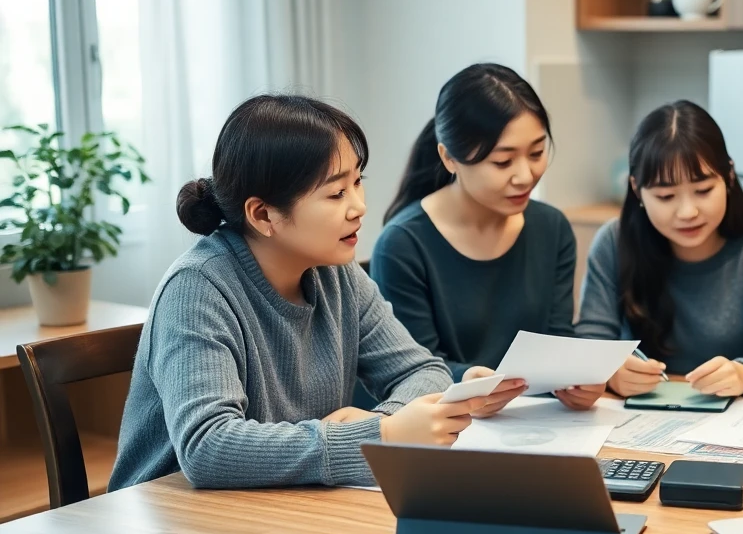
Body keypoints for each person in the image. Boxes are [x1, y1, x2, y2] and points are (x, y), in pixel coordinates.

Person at [109, 95, 525, 491]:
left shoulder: (334, 272)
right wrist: (380, 436)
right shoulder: (197, 289)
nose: (359, 205)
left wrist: (385, 423)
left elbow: (422, 371)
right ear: (264, 214)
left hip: (272, 508)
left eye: (358, 182)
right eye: (336, 192)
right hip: (171, 521)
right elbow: (208, 447)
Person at [370, 64, 605, 411]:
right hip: (449, 433)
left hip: (543, 426)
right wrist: (467, 382)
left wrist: (579, 381)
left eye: (537, 153)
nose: (526, 176)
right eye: (502, 162)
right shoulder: (402, 246)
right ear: (449, 157)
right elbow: (409, 372)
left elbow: (558, 341)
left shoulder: (551, 228)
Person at [576, 100, 743, 399]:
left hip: (734, 418)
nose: (688, 212)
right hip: (634, 419)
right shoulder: (614, 242)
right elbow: (591, 341)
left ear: (729, 177)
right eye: (666, 196)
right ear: (636, 189)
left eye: (703, 191)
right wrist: (611, 372)